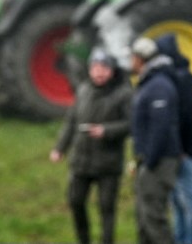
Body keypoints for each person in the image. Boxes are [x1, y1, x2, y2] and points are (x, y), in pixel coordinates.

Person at [50, 47, 133, 244]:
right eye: (95, 67)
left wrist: (106, 131)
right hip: (81, 161)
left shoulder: (124, 94)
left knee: (106, 208)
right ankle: (84, 239)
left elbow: (131, 124)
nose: (99, 72)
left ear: (112, 70)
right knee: (75, 202)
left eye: (104, 67)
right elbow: (71, 121)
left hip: (108, 164)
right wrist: (60, 148)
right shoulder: (83, 90)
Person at [130, 36, 181, 244]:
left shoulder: (158, 86)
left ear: (141, 59)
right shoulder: (150, 83)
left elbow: (160, 127)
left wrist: (149, 160)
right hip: (150, 160)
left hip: (159, 161)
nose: (130, 61)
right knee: (143, 219)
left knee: (154, 219)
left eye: (133, 57)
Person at [155, 33, 192, 244]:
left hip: (185, 151)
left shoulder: (184, 79)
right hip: (175, 150)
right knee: (176, 202)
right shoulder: (174, 77)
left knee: (187, 202)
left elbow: (189, 117)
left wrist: (184, 148)